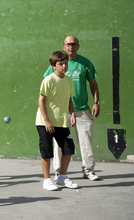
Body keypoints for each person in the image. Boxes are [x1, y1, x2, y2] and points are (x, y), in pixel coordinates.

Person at [44, 36, 100, 181]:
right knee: (58, 143)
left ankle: (88, 170)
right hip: (61, 111)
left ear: (78, 46)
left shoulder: (85, 63)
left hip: (82, 109)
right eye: (68, 44)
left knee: (86, 141)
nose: (71, 46)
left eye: (73, 44)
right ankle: (58, 171)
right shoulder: (56, 64)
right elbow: (47, 85)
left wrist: (96, 102)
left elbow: (93, 83)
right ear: (63, 47)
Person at [36, 51, 79, 191]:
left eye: (65, 63)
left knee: (68, 149)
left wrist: (72, 114)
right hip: (44, 122)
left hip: (61, 122)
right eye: (60, 64)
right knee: (46, 152)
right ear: (53, 66)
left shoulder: (69, 80)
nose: (64, 66)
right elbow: (41, 101)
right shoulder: (48, 80)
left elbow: (69, 99)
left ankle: (62, 177)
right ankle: (47, 180)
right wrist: (47, 120)